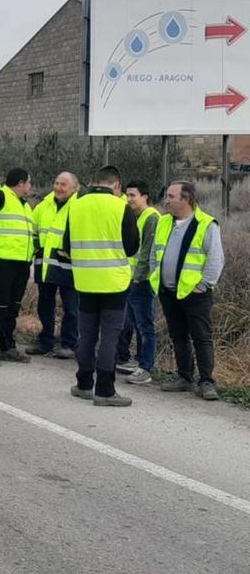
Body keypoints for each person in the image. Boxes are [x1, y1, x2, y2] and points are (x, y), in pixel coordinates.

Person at [59, 166, 140, 406]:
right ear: (116, 185)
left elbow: (67, 245)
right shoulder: (120, 206)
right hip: (114, 282)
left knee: (87, 334)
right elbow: (131, 247)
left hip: (84, 280)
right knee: (109, 337)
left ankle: (84, 383)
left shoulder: (76, 206)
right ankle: (105, 390)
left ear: (94, 181)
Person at [151, 180, 225, 401]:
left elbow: (215, 259)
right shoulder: (164, 222)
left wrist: (203, 285)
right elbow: (155, 253)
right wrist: (156, 277)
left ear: (186, 199)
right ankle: (184, 376)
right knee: (178, 335)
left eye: (171, 197)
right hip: (169, 291)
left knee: (201, 336)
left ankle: (206, 381)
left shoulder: (206, 224)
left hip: (195, 294)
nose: (167, 200)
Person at [0, 169, 36, 367]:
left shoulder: (25, 206)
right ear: (21, 182)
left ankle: (7, 346)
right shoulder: (3, 195)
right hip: (2, 262)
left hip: (20, 264)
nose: (30, 187)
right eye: (29, 183)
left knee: (12, 309)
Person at [28, 172, 80, 359]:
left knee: (72, 309)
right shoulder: (43, 206)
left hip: (70, 267)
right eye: (56, 183)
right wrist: (36, 249)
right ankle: (45, 341)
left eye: (63, 184)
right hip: (46, 266)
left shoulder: (79, 207)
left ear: (74, 188)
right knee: (45, 306)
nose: (58, 187)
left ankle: (69, 344)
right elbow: (32, 230)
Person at [115, 180, 160, 384]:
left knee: (145, 325)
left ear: (145, 197)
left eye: (133, 195)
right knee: (132, 323)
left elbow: (148, 253)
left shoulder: (151, 218)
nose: (128, 198)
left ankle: (146, 367)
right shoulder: (136, 217)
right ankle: (138, 361)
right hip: (131, 279)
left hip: (142, 281)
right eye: (127, 194)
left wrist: (138, 279)